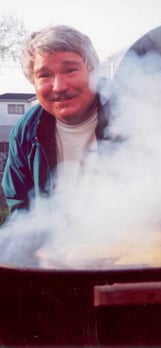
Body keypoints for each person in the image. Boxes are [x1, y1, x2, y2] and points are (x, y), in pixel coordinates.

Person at [1, 25, 117, 215]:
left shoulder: (131, 109)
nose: (59, 86)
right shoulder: (26, 131)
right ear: (33, 83)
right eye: (44, 75)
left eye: (70, 70)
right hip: (60, 244)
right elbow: (21, 209)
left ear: (92, 71)